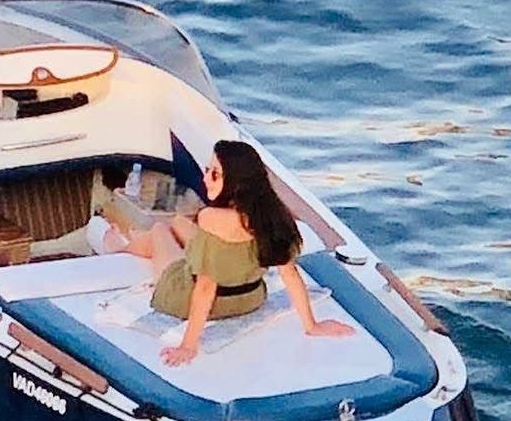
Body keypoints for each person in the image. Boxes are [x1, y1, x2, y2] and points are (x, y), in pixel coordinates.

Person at [107, 139, 355, 367]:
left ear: (235, 181)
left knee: (160, 230)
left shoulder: (210, 218)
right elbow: (290, 275)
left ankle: (118, 248)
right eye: (207, 170)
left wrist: (188, 345)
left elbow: (205, 288)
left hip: (191, 298)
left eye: (214, 174)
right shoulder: (273, 217)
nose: (205, 178)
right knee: (179, 222)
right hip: (250, 299)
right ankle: (134, 238)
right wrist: (312, 325)